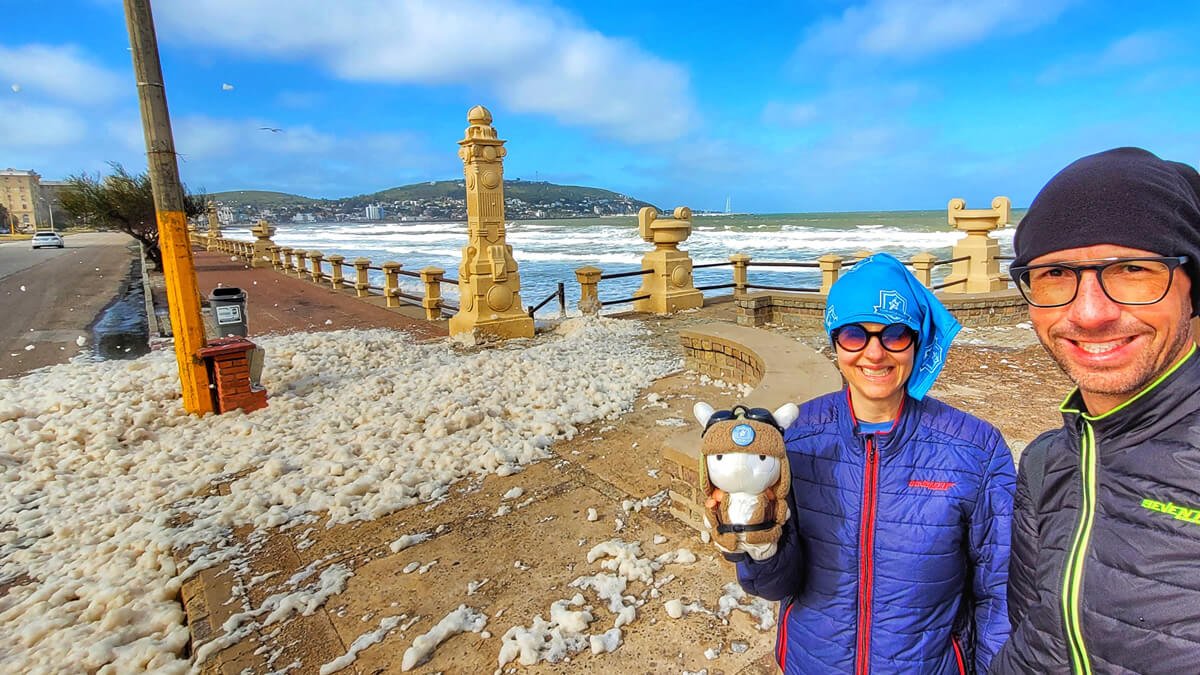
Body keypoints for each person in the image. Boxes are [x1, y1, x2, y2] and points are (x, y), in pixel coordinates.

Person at [735, 253, 1016, 674]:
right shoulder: (794, 437)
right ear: (834, 341)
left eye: (895, 334)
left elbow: (1001, 592)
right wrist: (755, 543)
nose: (874, 352)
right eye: (854, 334)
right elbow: (777, 585)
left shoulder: (975, 449)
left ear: (917, 342)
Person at [990, 147, 1200, 674]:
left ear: (1192, 287)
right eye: (1056, 273)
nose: (1089, 313)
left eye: (1132, 268)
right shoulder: (1045, 462)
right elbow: (1035, 634)